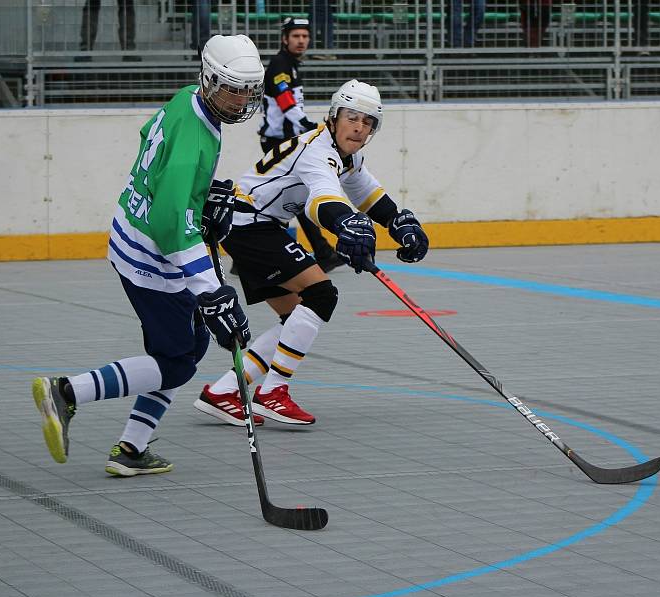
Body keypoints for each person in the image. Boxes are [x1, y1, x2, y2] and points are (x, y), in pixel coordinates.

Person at [32, 34, 264, 476]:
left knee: (187, 346)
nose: (240, 100)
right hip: (151, 257)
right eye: (232, 88)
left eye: (247, 90)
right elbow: (169, 224)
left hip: (135, 237)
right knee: (176, 360)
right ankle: (66, 393)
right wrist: (210, 290)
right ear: (211, 79)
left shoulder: (186, 100)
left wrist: (200, 202)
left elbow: (156, 163)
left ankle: (133, 450)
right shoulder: (197, 136)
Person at [194, 80, 429, 427]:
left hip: (255, 225)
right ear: (334, 117)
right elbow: (322, 198)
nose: (359, 126)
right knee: (321, 295)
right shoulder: (318, 151)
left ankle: (225, 391)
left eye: (368, 122)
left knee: (296, 319)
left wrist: (397, 222)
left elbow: (367, 192)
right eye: (352, 117)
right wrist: (346, 223)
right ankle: (273, 392)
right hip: (249, 224)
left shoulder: (346, 155)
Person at [256, 16, 342, 274]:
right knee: (295, 195)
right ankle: (324, 252)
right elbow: (283, 97)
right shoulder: (281, 64)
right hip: (278, 141)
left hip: (283, 139)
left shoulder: (289, 63)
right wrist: (304, 123)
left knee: (284, 197)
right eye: (296, 36)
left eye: (305, 36)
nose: (301, 40)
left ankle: (248, 255)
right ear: (285, 39)